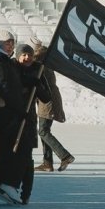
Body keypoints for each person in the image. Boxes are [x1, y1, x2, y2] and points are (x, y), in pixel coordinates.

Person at [0, 30, 28, 205]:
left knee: (9, 151)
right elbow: (5, 87)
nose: (10, 46)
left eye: (12, 42)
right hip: (5, 113)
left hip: (8, 111)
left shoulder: (4, 60)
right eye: (7, 43)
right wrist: (19, 108)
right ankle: (6, 184)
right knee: (15, 150)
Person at [13, 43, 50, 205]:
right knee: (11, 156)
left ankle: (25, 193)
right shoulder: (12, 68)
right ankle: (8, 188)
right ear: (18, 56)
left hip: (28, 120)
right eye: (24, 55)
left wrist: (37, 84)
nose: (27, 58)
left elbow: (46, 97)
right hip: (12, 119)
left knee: (27, 158)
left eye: (29, 54)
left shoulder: (38, 70)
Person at [32, 40, 75, 173]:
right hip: (49, 100)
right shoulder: (46, 66)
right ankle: (47, 163)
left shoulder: (41, 67)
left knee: (43, 131)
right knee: (45, 131)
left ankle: (65, 155)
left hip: (47, 102)